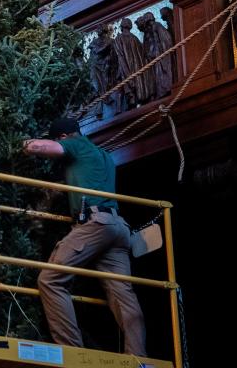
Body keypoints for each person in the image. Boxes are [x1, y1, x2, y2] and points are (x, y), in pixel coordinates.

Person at [22, 116, 146, 357]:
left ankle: (72, 353)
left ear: (64, 136)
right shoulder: (103, 156)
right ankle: (138, 358)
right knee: (123, 295)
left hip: (95, 223)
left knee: (50, 279)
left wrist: (24, 144)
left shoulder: (76, 145)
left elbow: (43, 147)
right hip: (118, 227)